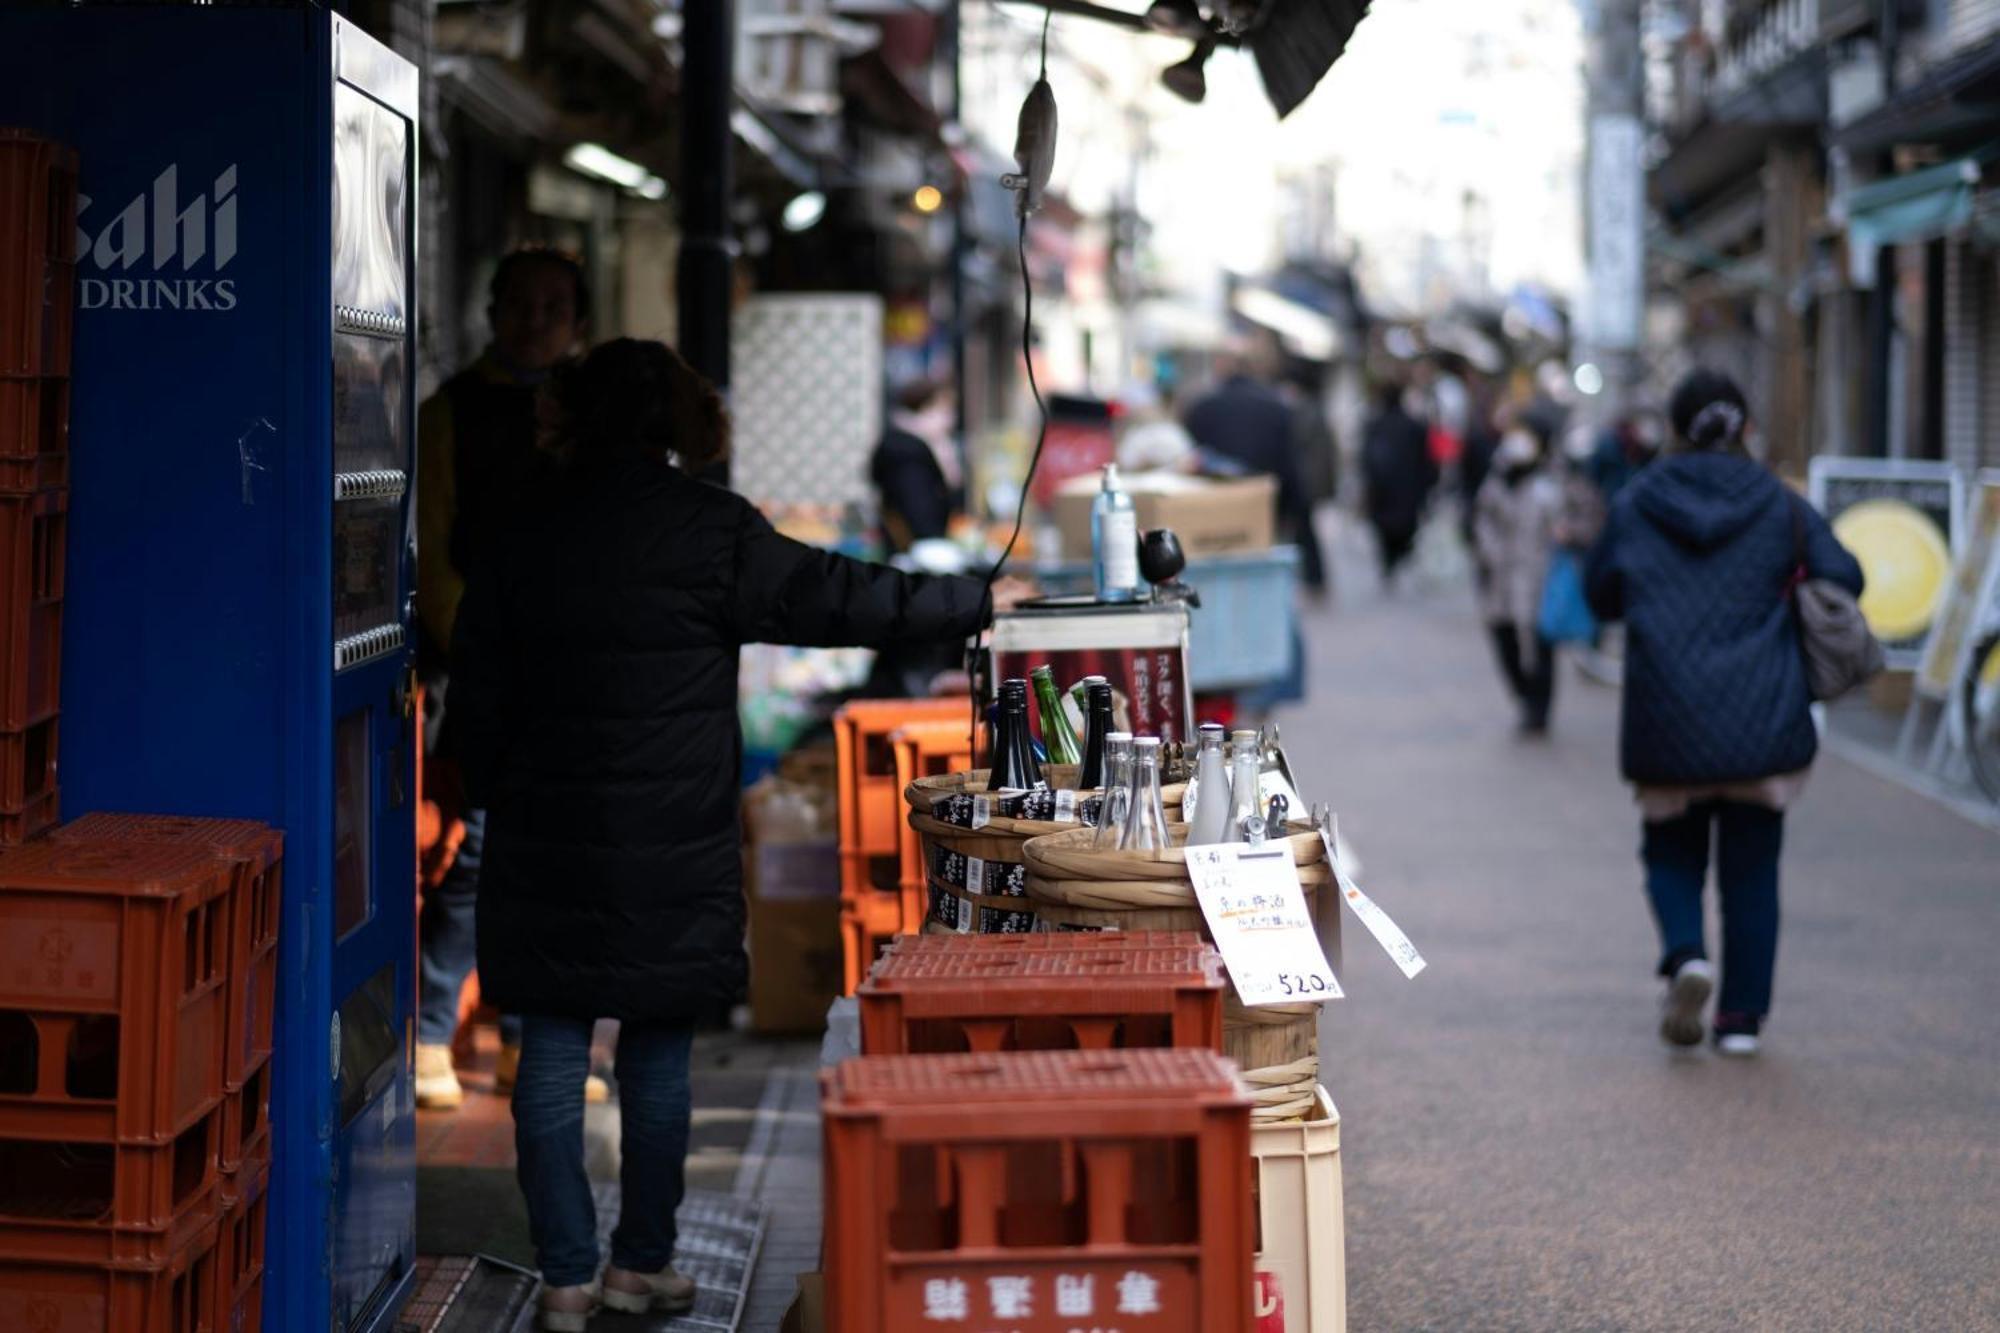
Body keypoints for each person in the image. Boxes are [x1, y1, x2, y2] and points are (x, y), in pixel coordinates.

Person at [450, 339, 997, 1329]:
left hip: (543, 829)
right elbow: (837, 594)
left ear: (571, 417)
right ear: (679, 423)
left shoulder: (518, 528)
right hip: (672, 837)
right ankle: (637, 1265)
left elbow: (477, 700)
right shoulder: (709, 531)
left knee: (551, 1055)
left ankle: (564, 1277)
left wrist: (469, 788)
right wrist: (968, 600)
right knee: (656, 1058)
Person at [1585, 369, 1863, 1057]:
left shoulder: (1640, 497)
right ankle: (1740, 1019)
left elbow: (1600, 594)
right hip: (1763, 717)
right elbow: (1846, 575)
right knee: (1752, 867)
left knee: (1671, 848)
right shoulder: (1780, 502)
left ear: (1676, 427)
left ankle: (1686, 957)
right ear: (1745, 425)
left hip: (1667, 713)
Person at [414, 247, 595, 1112]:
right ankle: (425, 1030)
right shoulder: (453, 412)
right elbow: (435, 544)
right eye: (520, 302)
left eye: (554, 305)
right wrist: (477, 639)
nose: (535, 319)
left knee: (558, 862)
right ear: (491, 309)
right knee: (481, 850)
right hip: (489, 669)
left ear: (578, 321)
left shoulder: (595, 417)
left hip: (577, 672)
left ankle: (528, 1041)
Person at [1183, 343, 1327, 596]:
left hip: (1218, 501)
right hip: (1267, 496)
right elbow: (1289, 459)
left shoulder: (1202, 408)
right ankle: (1309, 582)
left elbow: (1194, 458)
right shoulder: (1277, 406)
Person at [1473, 411, 1563, 735]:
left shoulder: (1551, 483)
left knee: (1540, 647)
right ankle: (1523, 696)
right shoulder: (1498, 477)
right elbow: (1483, 518)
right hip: (1501, 577)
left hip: (1539, 578)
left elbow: (1560, 528)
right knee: (1504, 639)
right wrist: (1491, 551)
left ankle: (1538, 710)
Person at [870, 377, 964, 554]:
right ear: (924, 408)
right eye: (945, 409)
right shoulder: (908, 453)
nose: (950, 418)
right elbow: (923, 516)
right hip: (917, 553)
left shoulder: (909, 446)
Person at [1360, 380, 1438, 586]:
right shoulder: (1413, 426)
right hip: (1406, 492)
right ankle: (1396, 561)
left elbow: (1365, 460)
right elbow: (1427, 462)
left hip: (1383, 493)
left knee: (1387, 531)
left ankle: (1392, 562)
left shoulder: (1375, 425)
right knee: (1402, 529)